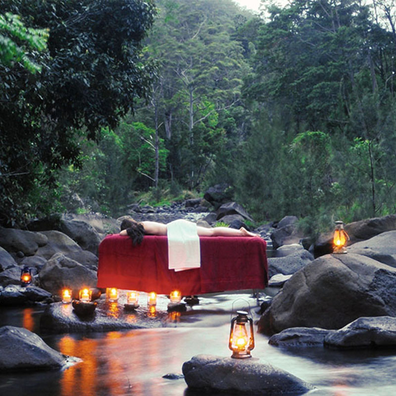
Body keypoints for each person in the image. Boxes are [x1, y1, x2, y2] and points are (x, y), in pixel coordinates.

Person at [119, 218, 259, 245]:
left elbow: (121, 234)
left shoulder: (141, 225)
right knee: (211, 232)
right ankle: (240, 233)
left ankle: (241, 233)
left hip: (175, 229)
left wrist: (124, 231)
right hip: (175, 227)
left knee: (212, 232)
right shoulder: (142, 226)